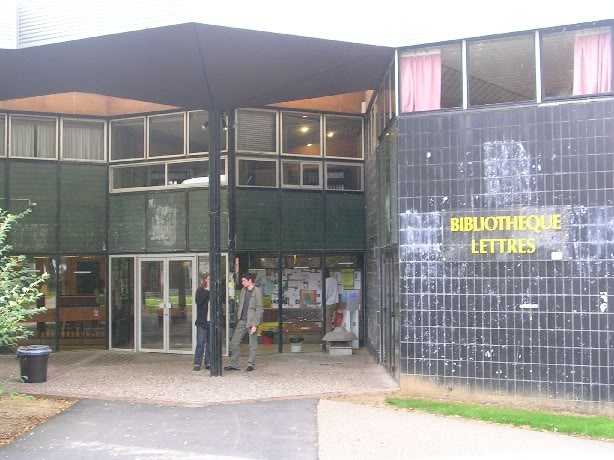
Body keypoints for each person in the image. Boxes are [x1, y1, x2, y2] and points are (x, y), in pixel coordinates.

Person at [224, 272, 263, 372]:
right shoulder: (243, 290)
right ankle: (234, 364)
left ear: (249, 281)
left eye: (244, 281)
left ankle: (251, 364)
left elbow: (259, 309)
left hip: (252, 321)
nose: (242, 283)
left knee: (252, 345)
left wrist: (255, 324)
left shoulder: (257, 291)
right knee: (234, 342)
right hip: (242, 320)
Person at [193, 274, 210, 371]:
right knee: (200, 342)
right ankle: (197, 362)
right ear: (205, 280)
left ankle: (208, 362)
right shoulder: (200, 290)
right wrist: (207, 290)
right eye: (208, 279)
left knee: (210, 343)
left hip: (211, 321)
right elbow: (198, 301)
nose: (210, 280)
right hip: (202, 321)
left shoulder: (215, 291)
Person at [324, 268, 340, 335]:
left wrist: (322, 302)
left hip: (328, 304)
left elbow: (326, 293)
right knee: (331, 321)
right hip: (334, 303)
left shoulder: (326, 281)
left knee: (327, 323)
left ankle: (328, 340)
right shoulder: (334, 280)